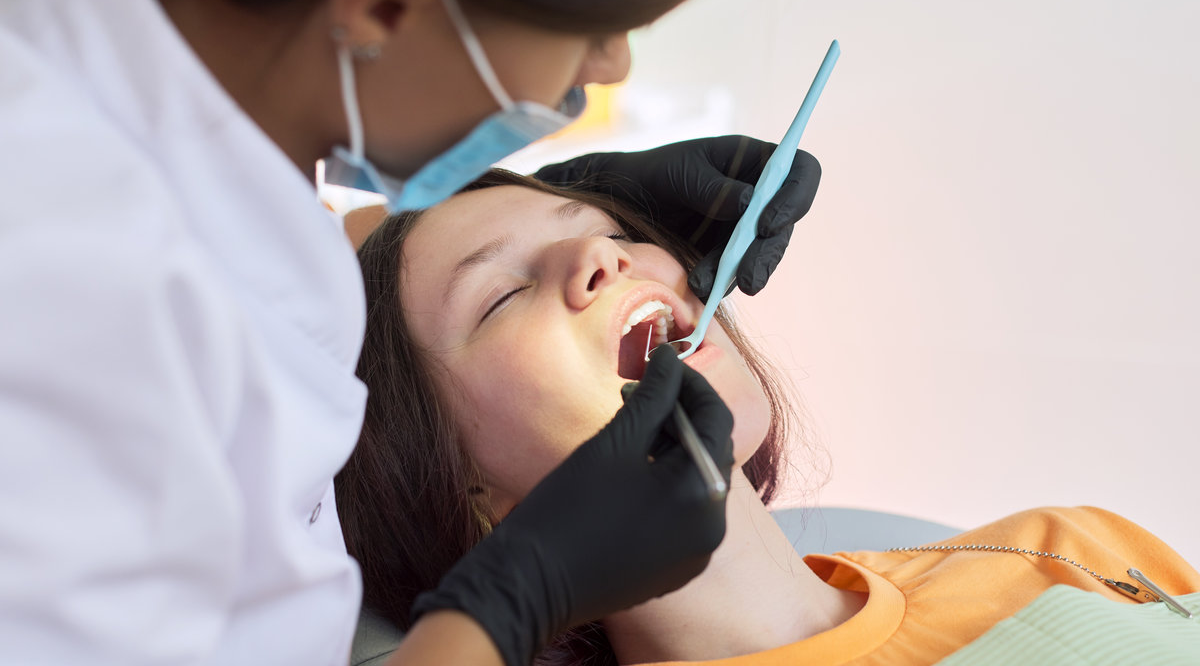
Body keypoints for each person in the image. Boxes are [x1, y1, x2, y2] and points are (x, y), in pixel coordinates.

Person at [0, 0, 824, 666]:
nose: (609, 68)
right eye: (596, 27)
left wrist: (519, 217)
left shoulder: (143, 62)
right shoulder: (72, 275)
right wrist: (518, 598)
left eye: (606, 226)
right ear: (386, 9)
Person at [338, 169, 1200, 665]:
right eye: (500, 295)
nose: (599, 254)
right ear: (465, 492)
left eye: (603, 227)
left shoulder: (1063, 546)